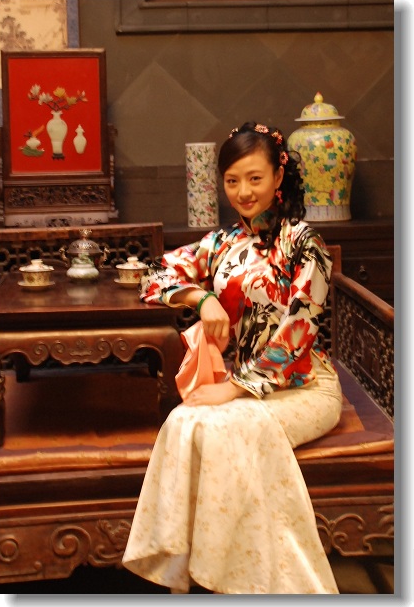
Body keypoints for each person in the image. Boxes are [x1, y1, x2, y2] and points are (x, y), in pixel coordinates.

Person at [122, 121, 343, 594]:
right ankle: (191, 575)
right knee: (183, 421)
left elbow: (299, 331)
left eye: (255, 178)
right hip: (242, 388)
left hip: (304, 386)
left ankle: (254, 584)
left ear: (278, 176)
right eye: (232, 180)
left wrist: (234, 388)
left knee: (219, 427)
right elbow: (152, 274)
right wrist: (201, 298)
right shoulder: (221, 244)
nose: (244, 192)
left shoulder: (305, 243)